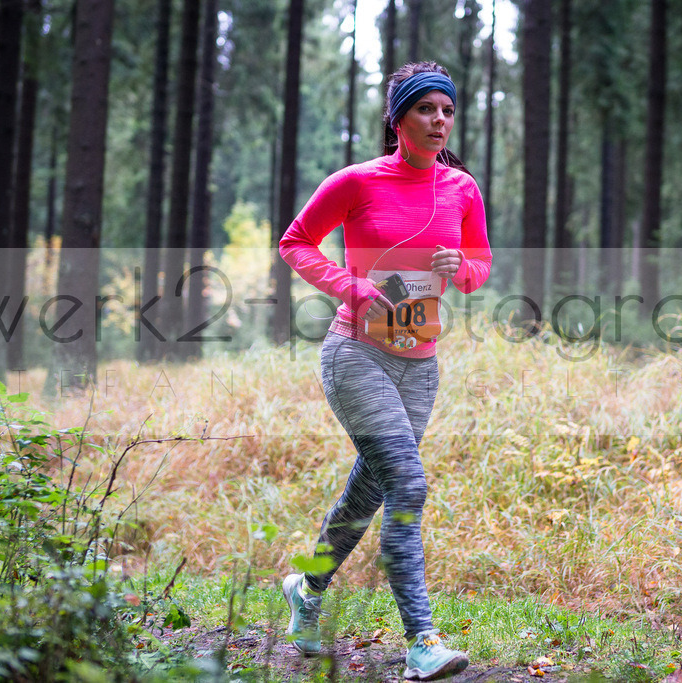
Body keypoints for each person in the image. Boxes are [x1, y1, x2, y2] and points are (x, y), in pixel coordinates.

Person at [277, 61, 492, 681]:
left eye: (447, 111)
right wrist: (349, 285)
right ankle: (423, 640)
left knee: (369, 489)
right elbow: (295, 241)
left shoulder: (462, 189)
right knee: (409, 484)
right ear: (399, 119)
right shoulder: (355, 181)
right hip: (356, 355)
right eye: (426, 109)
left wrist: (462, 268)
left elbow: (479, 268)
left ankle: (306, 589)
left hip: (420, 366)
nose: (439, 122)